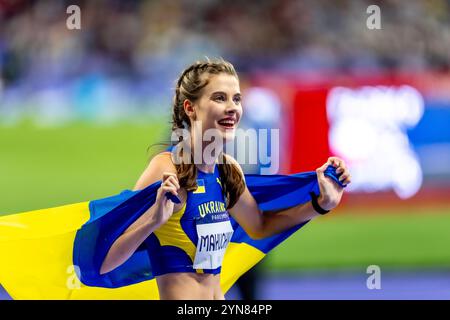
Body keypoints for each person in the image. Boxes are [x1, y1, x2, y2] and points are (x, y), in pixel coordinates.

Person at [98, 58, 351, 300]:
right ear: (190, 108)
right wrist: (154, 221)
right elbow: (106, 262)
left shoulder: (228, 169)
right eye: (220, 98)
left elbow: (259, 226)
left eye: (237, 99)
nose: (233, 107)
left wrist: (321, 204)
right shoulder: (166, 167)